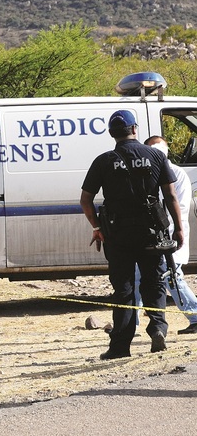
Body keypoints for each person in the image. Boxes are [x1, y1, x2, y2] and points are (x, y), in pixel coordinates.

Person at [80, 110, 183, 360]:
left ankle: (120, 346)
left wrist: (97, 227)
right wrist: (178, 228)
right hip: (152, 234)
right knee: (154, 282)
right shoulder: (156, 155)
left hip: (118, 235)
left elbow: (85, 200)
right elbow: (170, 195)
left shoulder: (103, 160)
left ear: (111, 133)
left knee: (123, 288)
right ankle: (158, 327)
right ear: (134, 129)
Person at [134, 136, 197, 334]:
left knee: (172, 277)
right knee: (138, 276)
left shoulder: (175, 174)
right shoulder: (149, 173)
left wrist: (168, 232)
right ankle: (130, 322)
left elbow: (177, 206)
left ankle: (195, 315)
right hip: (152, 235)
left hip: (168, 236)